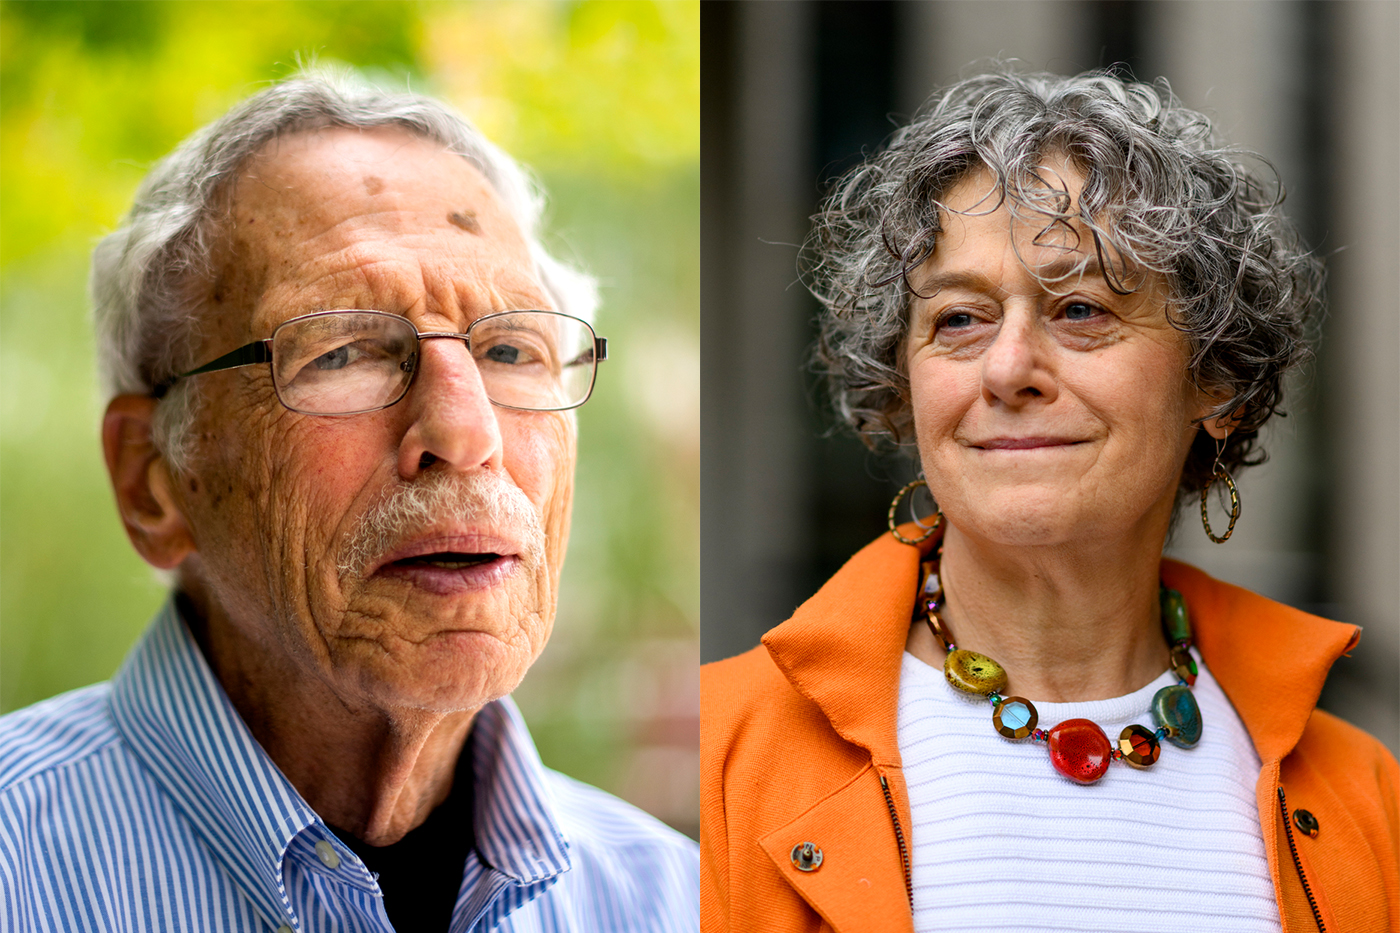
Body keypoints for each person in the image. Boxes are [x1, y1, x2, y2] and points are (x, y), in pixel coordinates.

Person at [701, 70, 1398, 933]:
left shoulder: (1368, 794)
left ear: (1215, 379)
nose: (1006, 368)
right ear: (903, 379)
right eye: (958, 319)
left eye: (1080, 308)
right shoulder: (724, 751)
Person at [0, 71, 697, 933]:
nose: (464, 431)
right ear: (153, 478)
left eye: (512, 349)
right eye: (343, 353)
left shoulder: (677, 898)